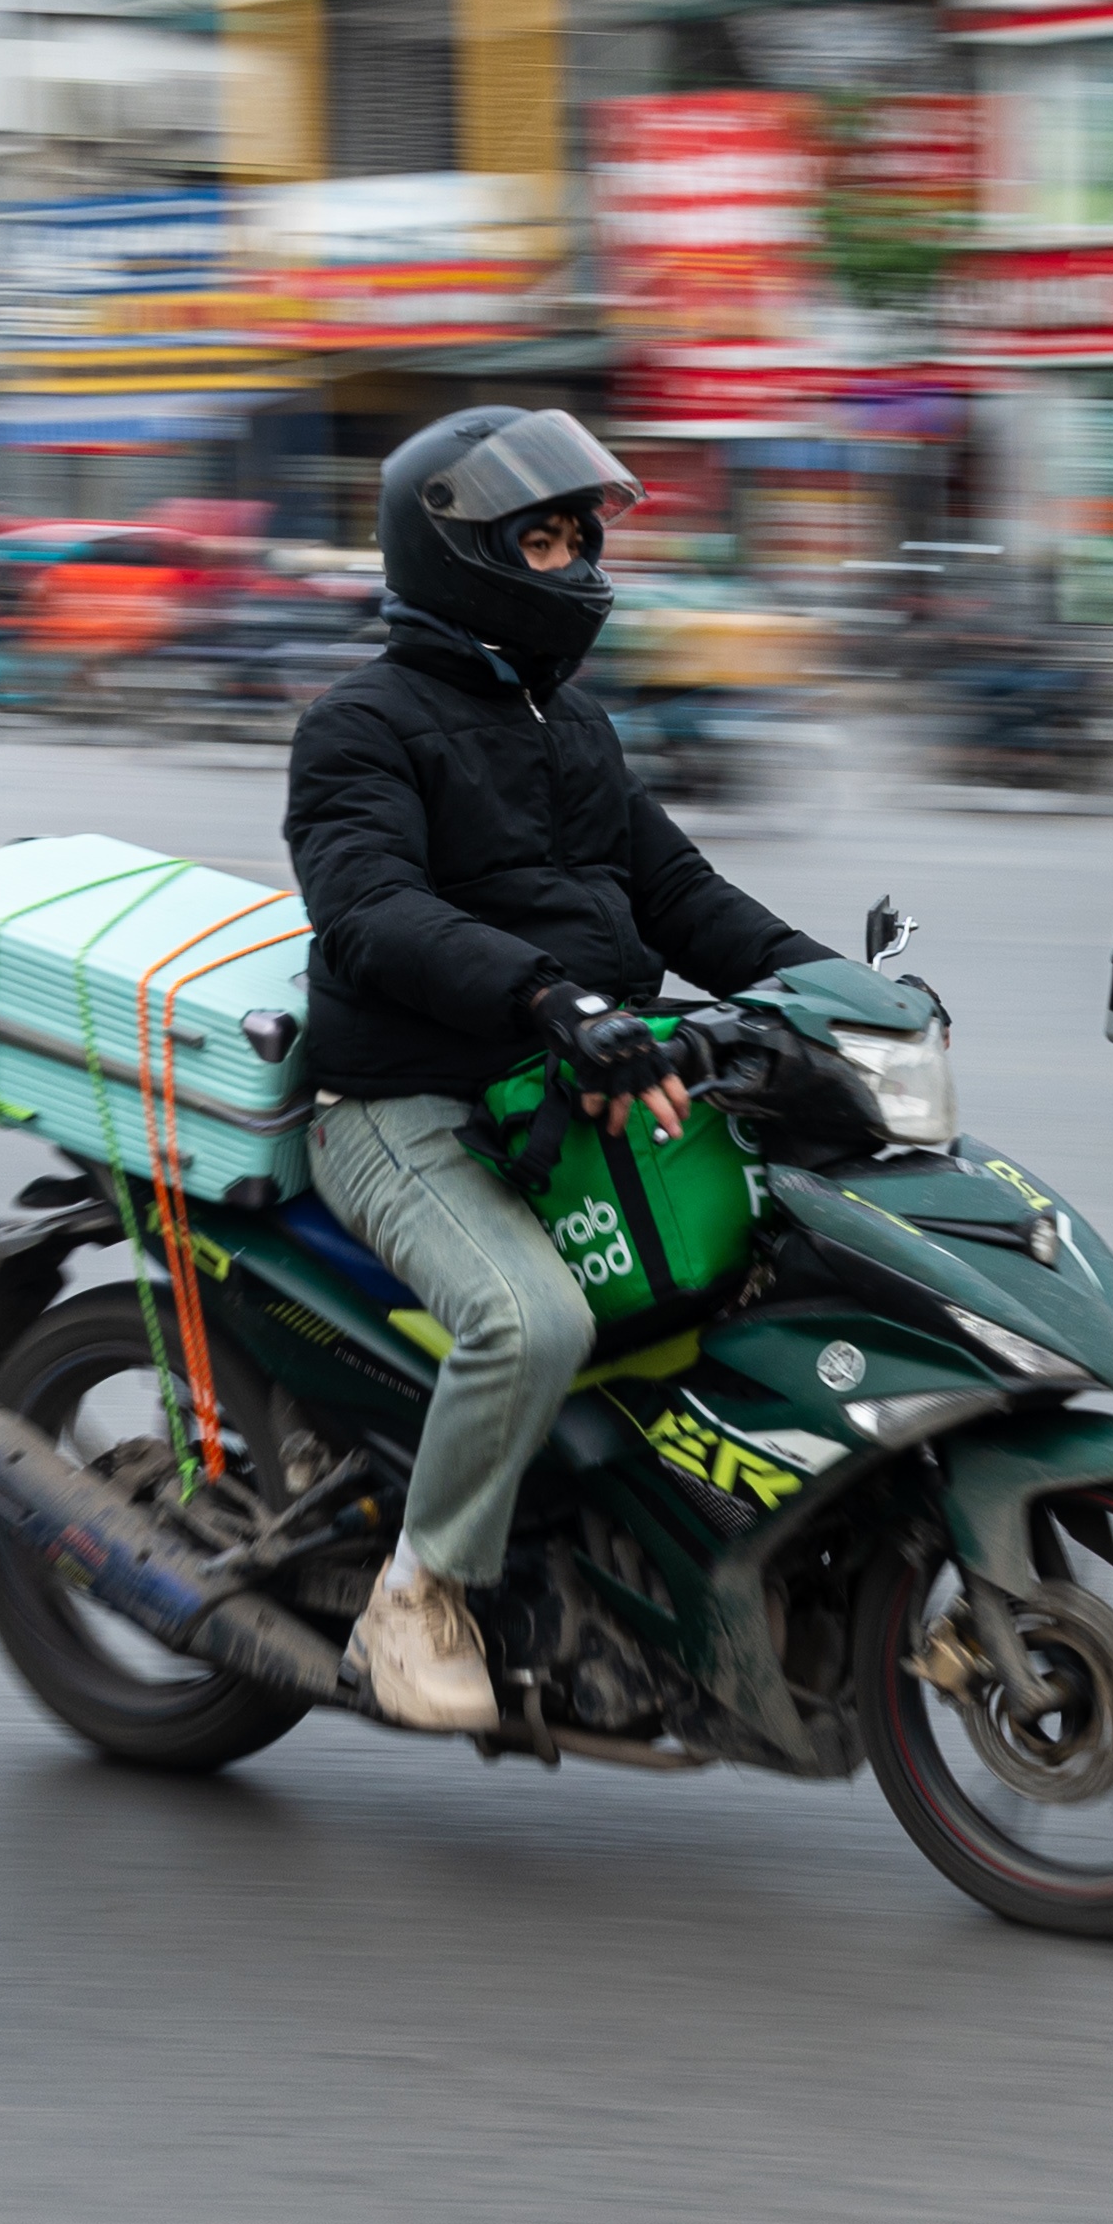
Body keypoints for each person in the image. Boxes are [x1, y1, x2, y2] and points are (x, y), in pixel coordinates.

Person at [284, 408, 832, 1729]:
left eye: (582, 539)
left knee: (783, 1246)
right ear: (456, 553)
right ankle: (414, 1596)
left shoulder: (571, 723)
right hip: (407, 1108)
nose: (577, 567)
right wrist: (548, 995)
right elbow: (368, 909)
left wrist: (830, 987)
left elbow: (677, 890)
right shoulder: (357, 724)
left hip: (577, 1084)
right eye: (541, 540)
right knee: (530, 1320)